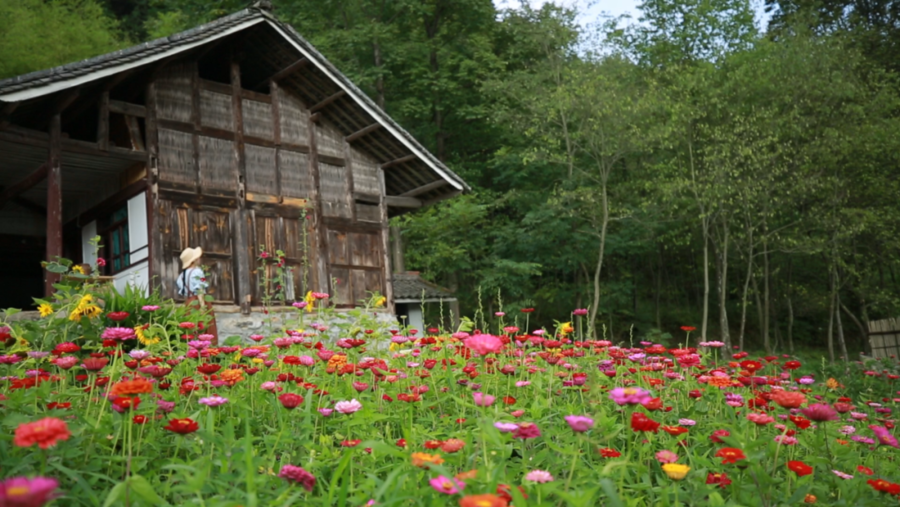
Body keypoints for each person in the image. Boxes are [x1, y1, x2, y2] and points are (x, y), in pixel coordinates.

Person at [176, 247, 218, 344]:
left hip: (189, 302)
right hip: (198, 301)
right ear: (194, 260)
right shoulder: (198, 272)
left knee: (192, 327)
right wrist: (203, 306)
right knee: (205, 325)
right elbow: (200, 289)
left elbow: (183, 290)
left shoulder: (182, 275)